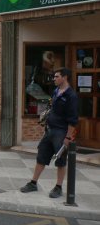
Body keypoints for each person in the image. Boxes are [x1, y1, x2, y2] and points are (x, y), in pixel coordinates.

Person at [20, 68, 78, 199]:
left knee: (60, 161)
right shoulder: (56, 91)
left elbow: (73, 120)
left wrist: (68, 137)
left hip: (61, 132)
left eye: (56, 76)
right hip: (50, 130)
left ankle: (58, 187)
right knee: (41, 156)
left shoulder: (71, 96)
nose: (54, 79)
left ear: (65, 77)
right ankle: (33, 183)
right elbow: (51, 108)